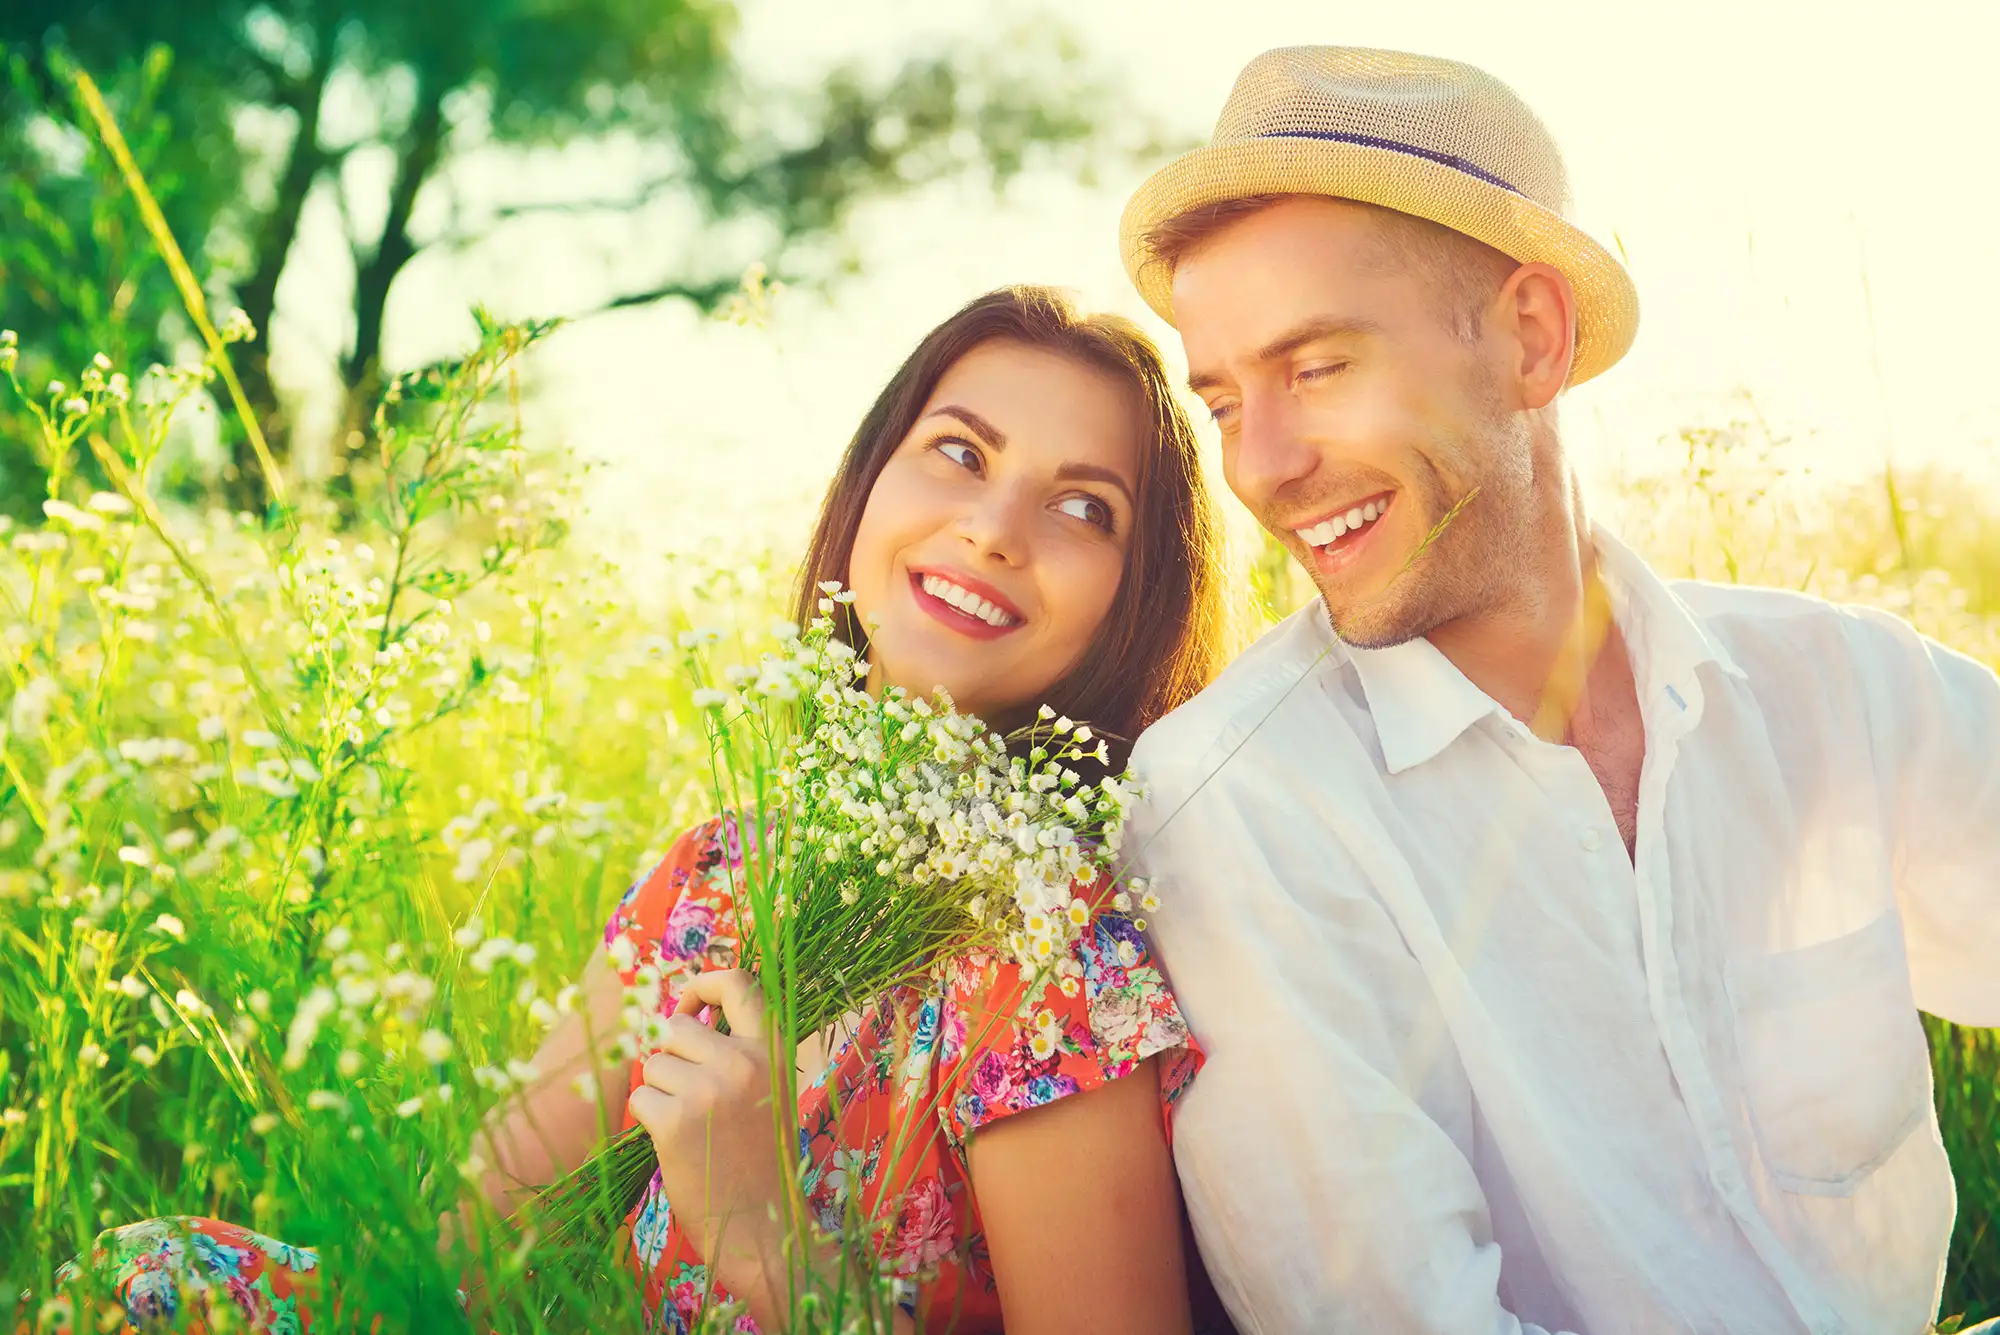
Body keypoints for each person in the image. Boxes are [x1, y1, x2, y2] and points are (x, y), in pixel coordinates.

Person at [58, 286, 1234, 1335]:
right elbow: (464, 1259)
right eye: (958, 453)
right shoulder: (714, 878)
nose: (992, 528)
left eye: (1084, 510)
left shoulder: (1042, 948)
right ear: (869, 479)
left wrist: (760, 1230)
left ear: (1131, 604)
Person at [1118, 45, 2000, 1335]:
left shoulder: (1842, 689)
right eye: (1223, 400)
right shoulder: (1236, 805)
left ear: (1531, 336)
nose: (1262, 465)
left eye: (1316, 368)